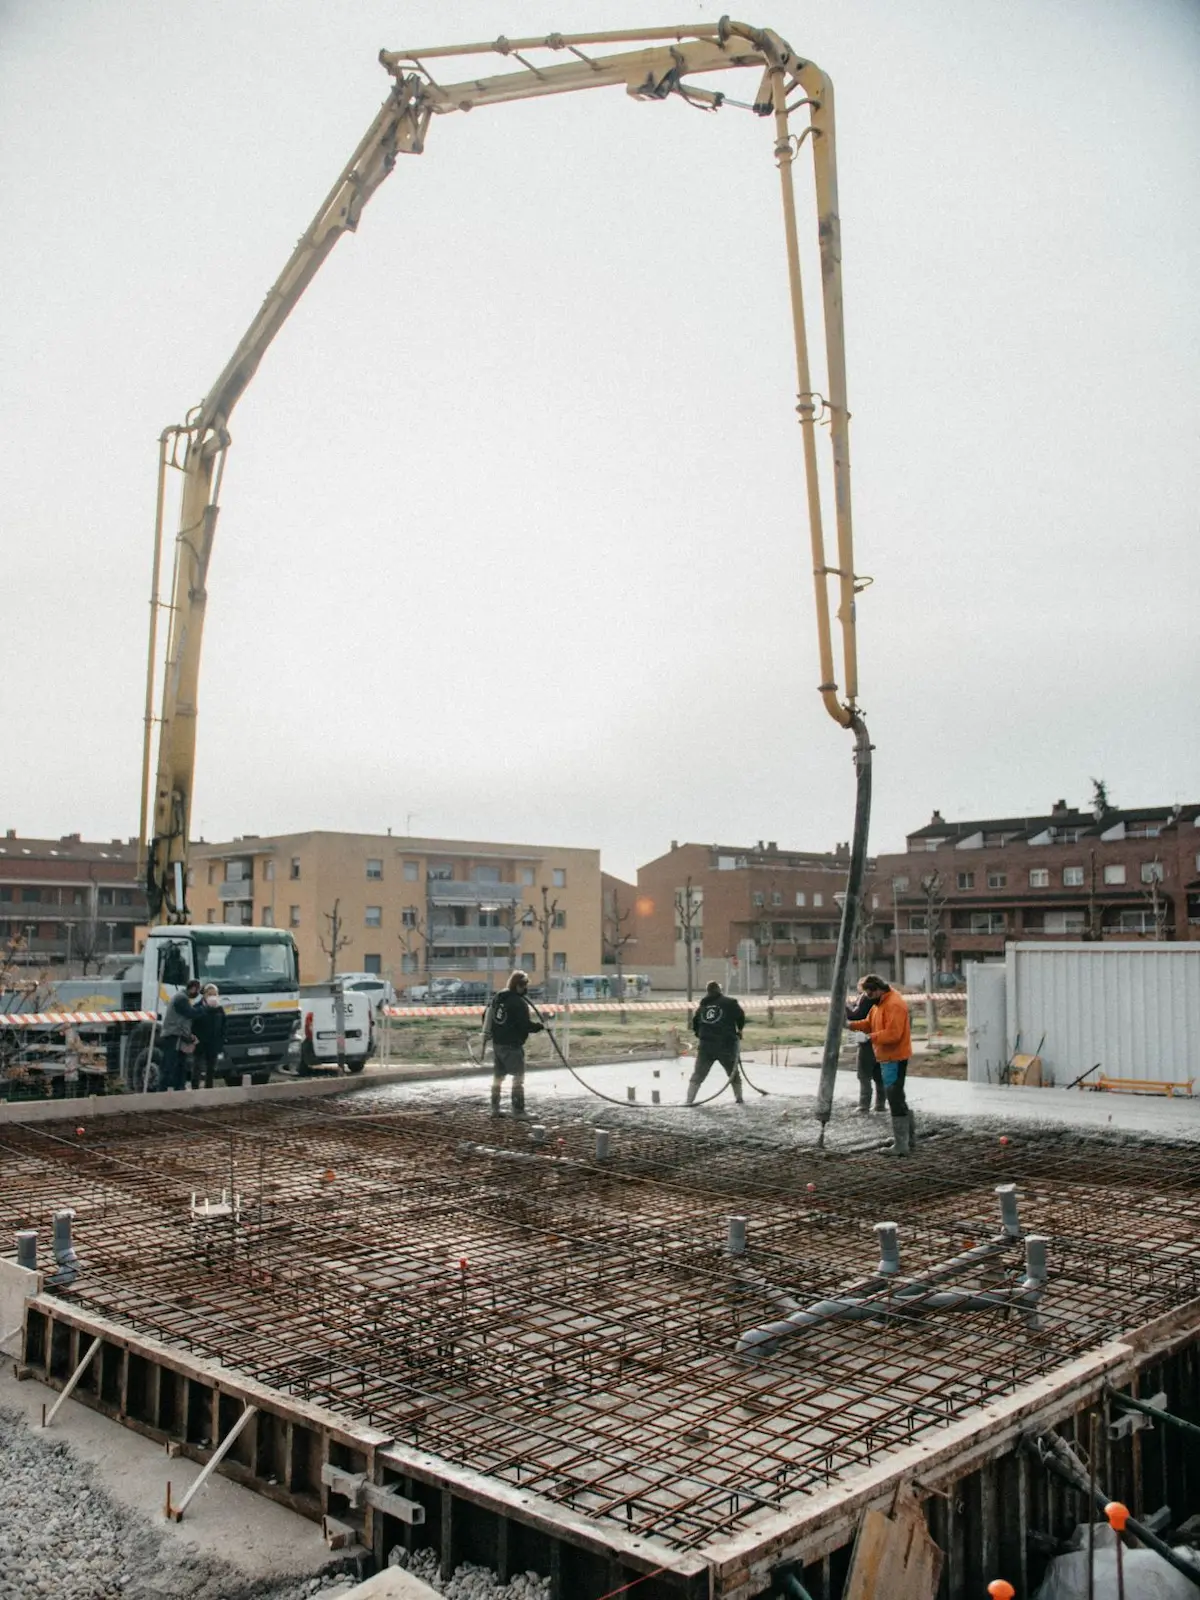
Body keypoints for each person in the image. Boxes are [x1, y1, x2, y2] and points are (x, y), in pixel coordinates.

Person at [846, 974, 914, 1154]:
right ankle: (907, 1139)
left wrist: (869, 1037)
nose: (867, 999)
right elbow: (869, 1023)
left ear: (876, 990)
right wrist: (850, 1025)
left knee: (894, 1097)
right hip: (886, 1057)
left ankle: (902, 1145)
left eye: (868, 994)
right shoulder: (880, 1004)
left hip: (895, 1058)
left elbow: (894, 1034)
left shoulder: (894, 1004)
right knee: (897, 1097)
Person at [485, 970, 544, 1116]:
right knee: (518, 1078)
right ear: (519, 985)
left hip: (498, 1044)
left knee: (498, 1077)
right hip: (512, 1046)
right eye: (525, 986)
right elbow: (524, 1025)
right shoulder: (518, 1003)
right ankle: (518, 1111)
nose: (526, 989)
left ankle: (495, 1108)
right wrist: (541, 1026)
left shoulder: (499, 997)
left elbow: (487, 1015)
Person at [686, 980, 746, 1105]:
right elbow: (740, 1016)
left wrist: (701, 1036)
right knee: (733, 1073)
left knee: (698, 1074)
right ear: (719, 990)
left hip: (706, 1046)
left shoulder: (703, 1006)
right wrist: (739, 1030)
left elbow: (695, 1024)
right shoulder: (730, 1002)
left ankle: (688, 1100)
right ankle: (739, 1098)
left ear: (707, 991)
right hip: (726, 1045)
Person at [846, 979, 886, 1115]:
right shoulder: (883, 999)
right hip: (882, 1042)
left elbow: (856, 1015)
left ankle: (864, 1105)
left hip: (867, 1042)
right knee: (879, 1075)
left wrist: (845, 1006)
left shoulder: (866, 998)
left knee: (864, 1075)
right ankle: (880, 1104)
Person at [158, 979, 201, 1092]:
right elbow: (190, 1013)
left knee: (181, 1064)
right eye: (197, 990)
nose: (197, 994)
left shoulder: (181, 997)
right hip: (173, 1035)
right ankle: (163, 1090)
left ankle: (179, 1088)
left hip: (178, 1035)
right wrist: (205, 1008)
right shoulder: (181, 999)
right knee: (170, 1064)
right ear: (193, 988)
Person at [191, 983, 227, 1090]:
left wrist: (221, 1042)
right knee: (197, 1067)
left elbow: (224, 1027)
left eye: (215, 994)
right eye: (210, 994)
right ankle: (194, 1089)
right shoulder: (197, 1008)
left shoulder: (220, 1010)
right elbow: (193, 1024)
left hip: (213, 1044)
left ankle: (209, 1089)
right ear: (204, 995)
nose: (212, 997)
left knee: (211, 1069)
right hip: (199, 1043)